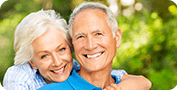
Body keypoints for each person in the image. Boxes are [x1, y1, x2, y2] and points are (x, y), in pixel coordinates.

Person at [3, 9, 141, 90]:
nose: (57, 62)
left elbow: (114, 75)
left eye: (61, 49)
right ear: (32, 62)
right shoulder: (20, 76)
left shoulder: (74, 67)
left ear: (70, 46)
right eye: (44, 56)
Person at [39, 2, 151, 90]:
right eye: (81, 37)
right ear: (72, 43)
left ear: (117, 38)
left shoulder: (131, 86)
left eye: (98, 34)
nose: (90, 46)